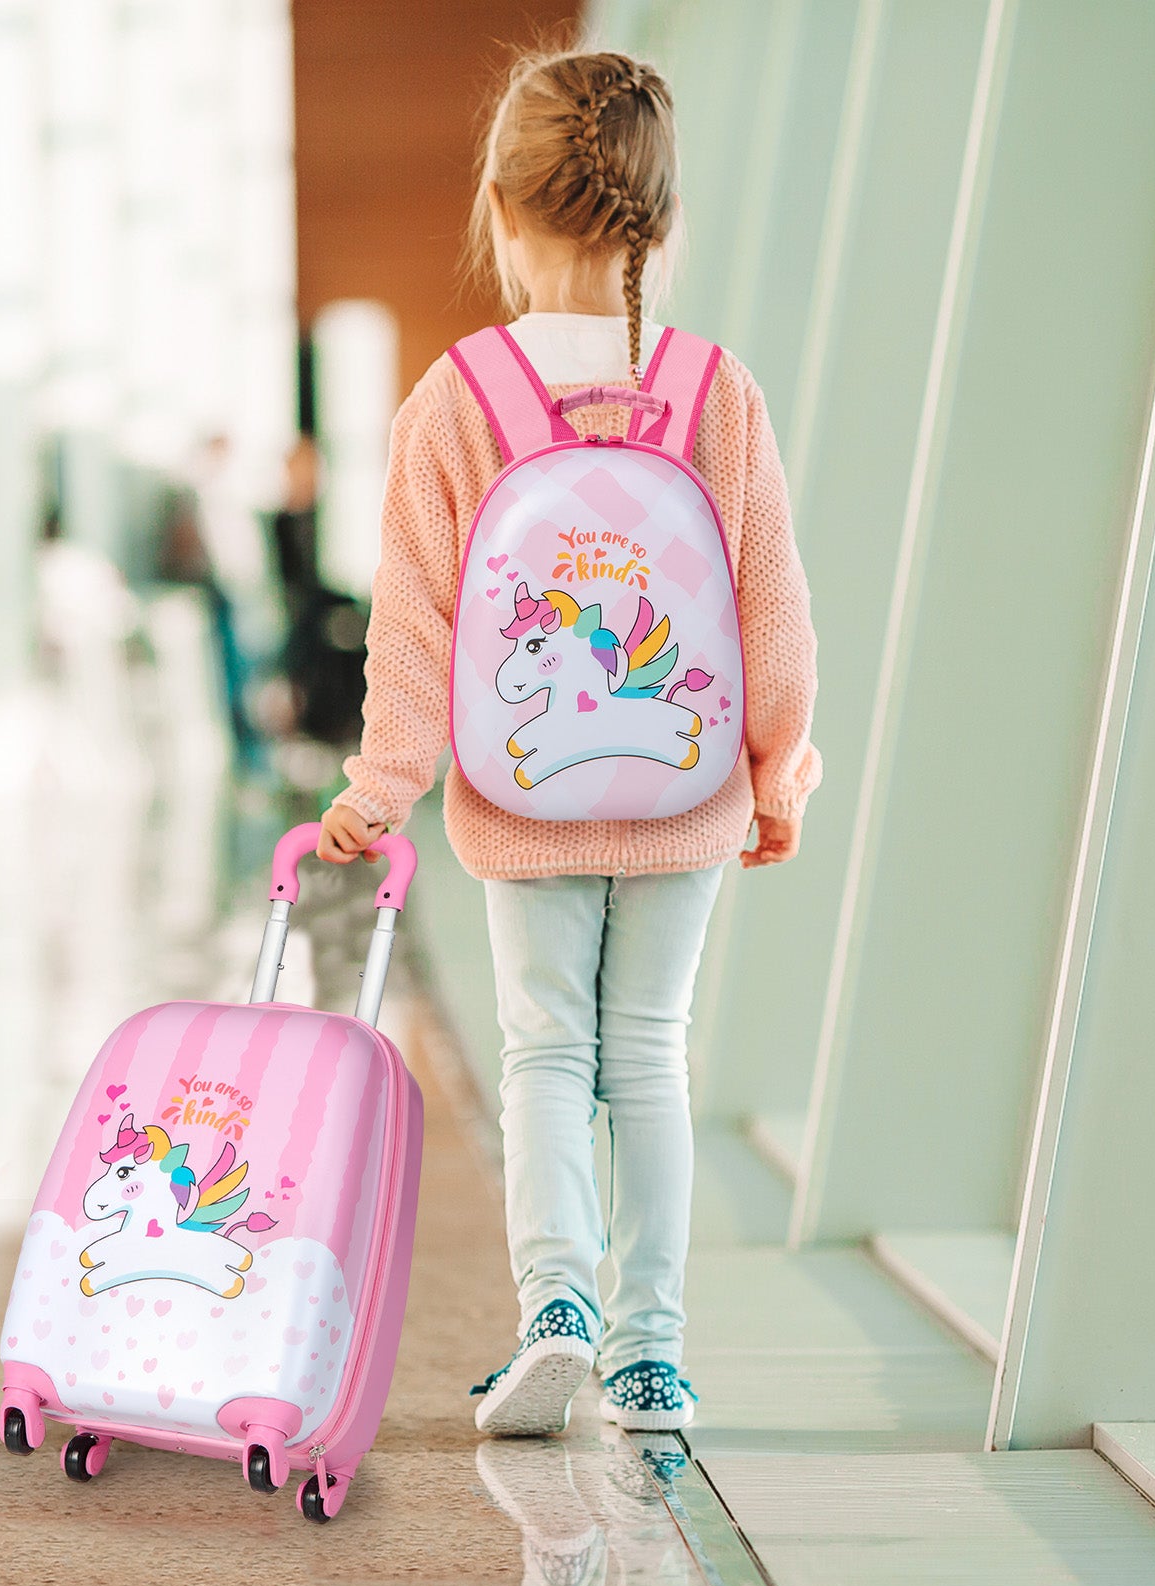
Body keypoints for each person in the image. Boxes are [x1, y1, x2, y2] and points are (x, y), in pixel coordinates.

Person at [318, 49, 821, 1437]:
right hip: (685, 789)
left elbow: (414, 629)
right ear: (662, 222)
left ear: (499, 204)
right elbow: (770, 605)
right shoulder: (718, 394)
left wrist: (382, 786)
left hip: (523, 793)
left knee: (546, 1052)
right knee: (646, 1054)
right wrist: (777, 765)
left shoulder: (457, 400)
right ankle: (651, 1353)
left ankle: (556, 1312)